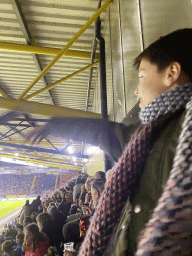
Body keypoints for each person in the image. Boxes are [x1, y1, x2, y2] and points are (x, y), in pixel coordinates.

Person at [77, 28, 192, 255]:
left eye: (141, 76)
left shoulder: (175, 133)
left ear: (172, 72)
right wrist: (55, 124)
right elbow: (105, 133)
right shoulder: (149, 133)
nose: (137, 89)